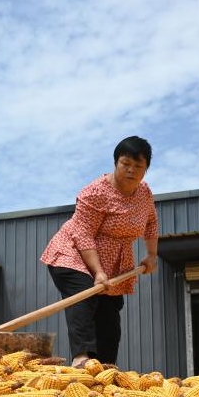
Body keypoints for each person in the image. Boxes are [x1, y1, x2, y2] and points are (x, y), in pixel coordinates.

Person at [40, 136, 159, 368]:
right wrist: (98, 272)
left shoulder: (144, 192)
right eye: (126, 164)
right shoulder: (95, 192)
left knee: (110, 312)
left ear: (145, 170)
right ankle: (81, 358)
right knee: (84, 294)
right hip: (73, 253)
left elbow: (151, 223)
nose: (131, 170)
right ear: (116, 163)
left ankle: (106, 366)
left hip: (112, 262)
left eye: (138, 166)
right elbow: (83, 234)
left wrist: (152, 254)